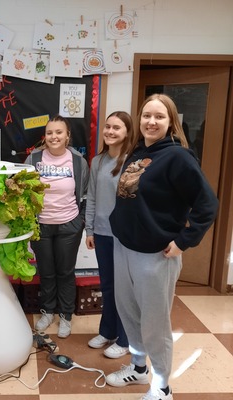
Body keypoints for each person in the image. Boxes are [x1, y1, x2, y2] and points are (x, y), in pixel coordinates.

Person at [106, 94, 218, 400]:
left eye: (159, 116)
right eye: (146, 115)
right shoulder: (138, 151)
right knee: (129, 314)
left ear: (171, 123)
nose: (150, 122)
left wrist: (184, 241)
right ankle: (139, 368)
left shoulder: (178, 158)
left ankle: (162, 386)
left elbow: (207, 205)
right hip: (125, 247)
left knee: (155, 324)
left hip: (154, 256)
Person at [25, 114, 89, 338]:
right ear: (45, 135)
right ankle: (48, 311)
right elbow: (23, 193)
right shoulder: (33, 160)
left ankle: (66, 315)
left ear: (67, 135)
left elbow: (84, 194)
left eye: (59, 132)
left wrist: (79, 222)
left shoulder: (78, 161)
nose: (54, 136)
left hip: (68, 225)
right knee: (47, 272)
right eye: (50, 132)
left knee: (65, 272)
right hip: (41, 225)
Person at [85, 111, 133, 359]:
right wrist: (89, 229)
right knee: (107, 285)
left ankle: (125, 340)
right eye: (107, 127)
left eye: (117, 128)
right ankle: (108, 331)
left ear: (127, 132)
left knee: (124, 289)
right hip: (102, 233)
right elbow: (92, 196)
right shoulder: (98, 161)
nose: (110, 132)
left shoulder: (133, 161)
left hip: (125, 235)